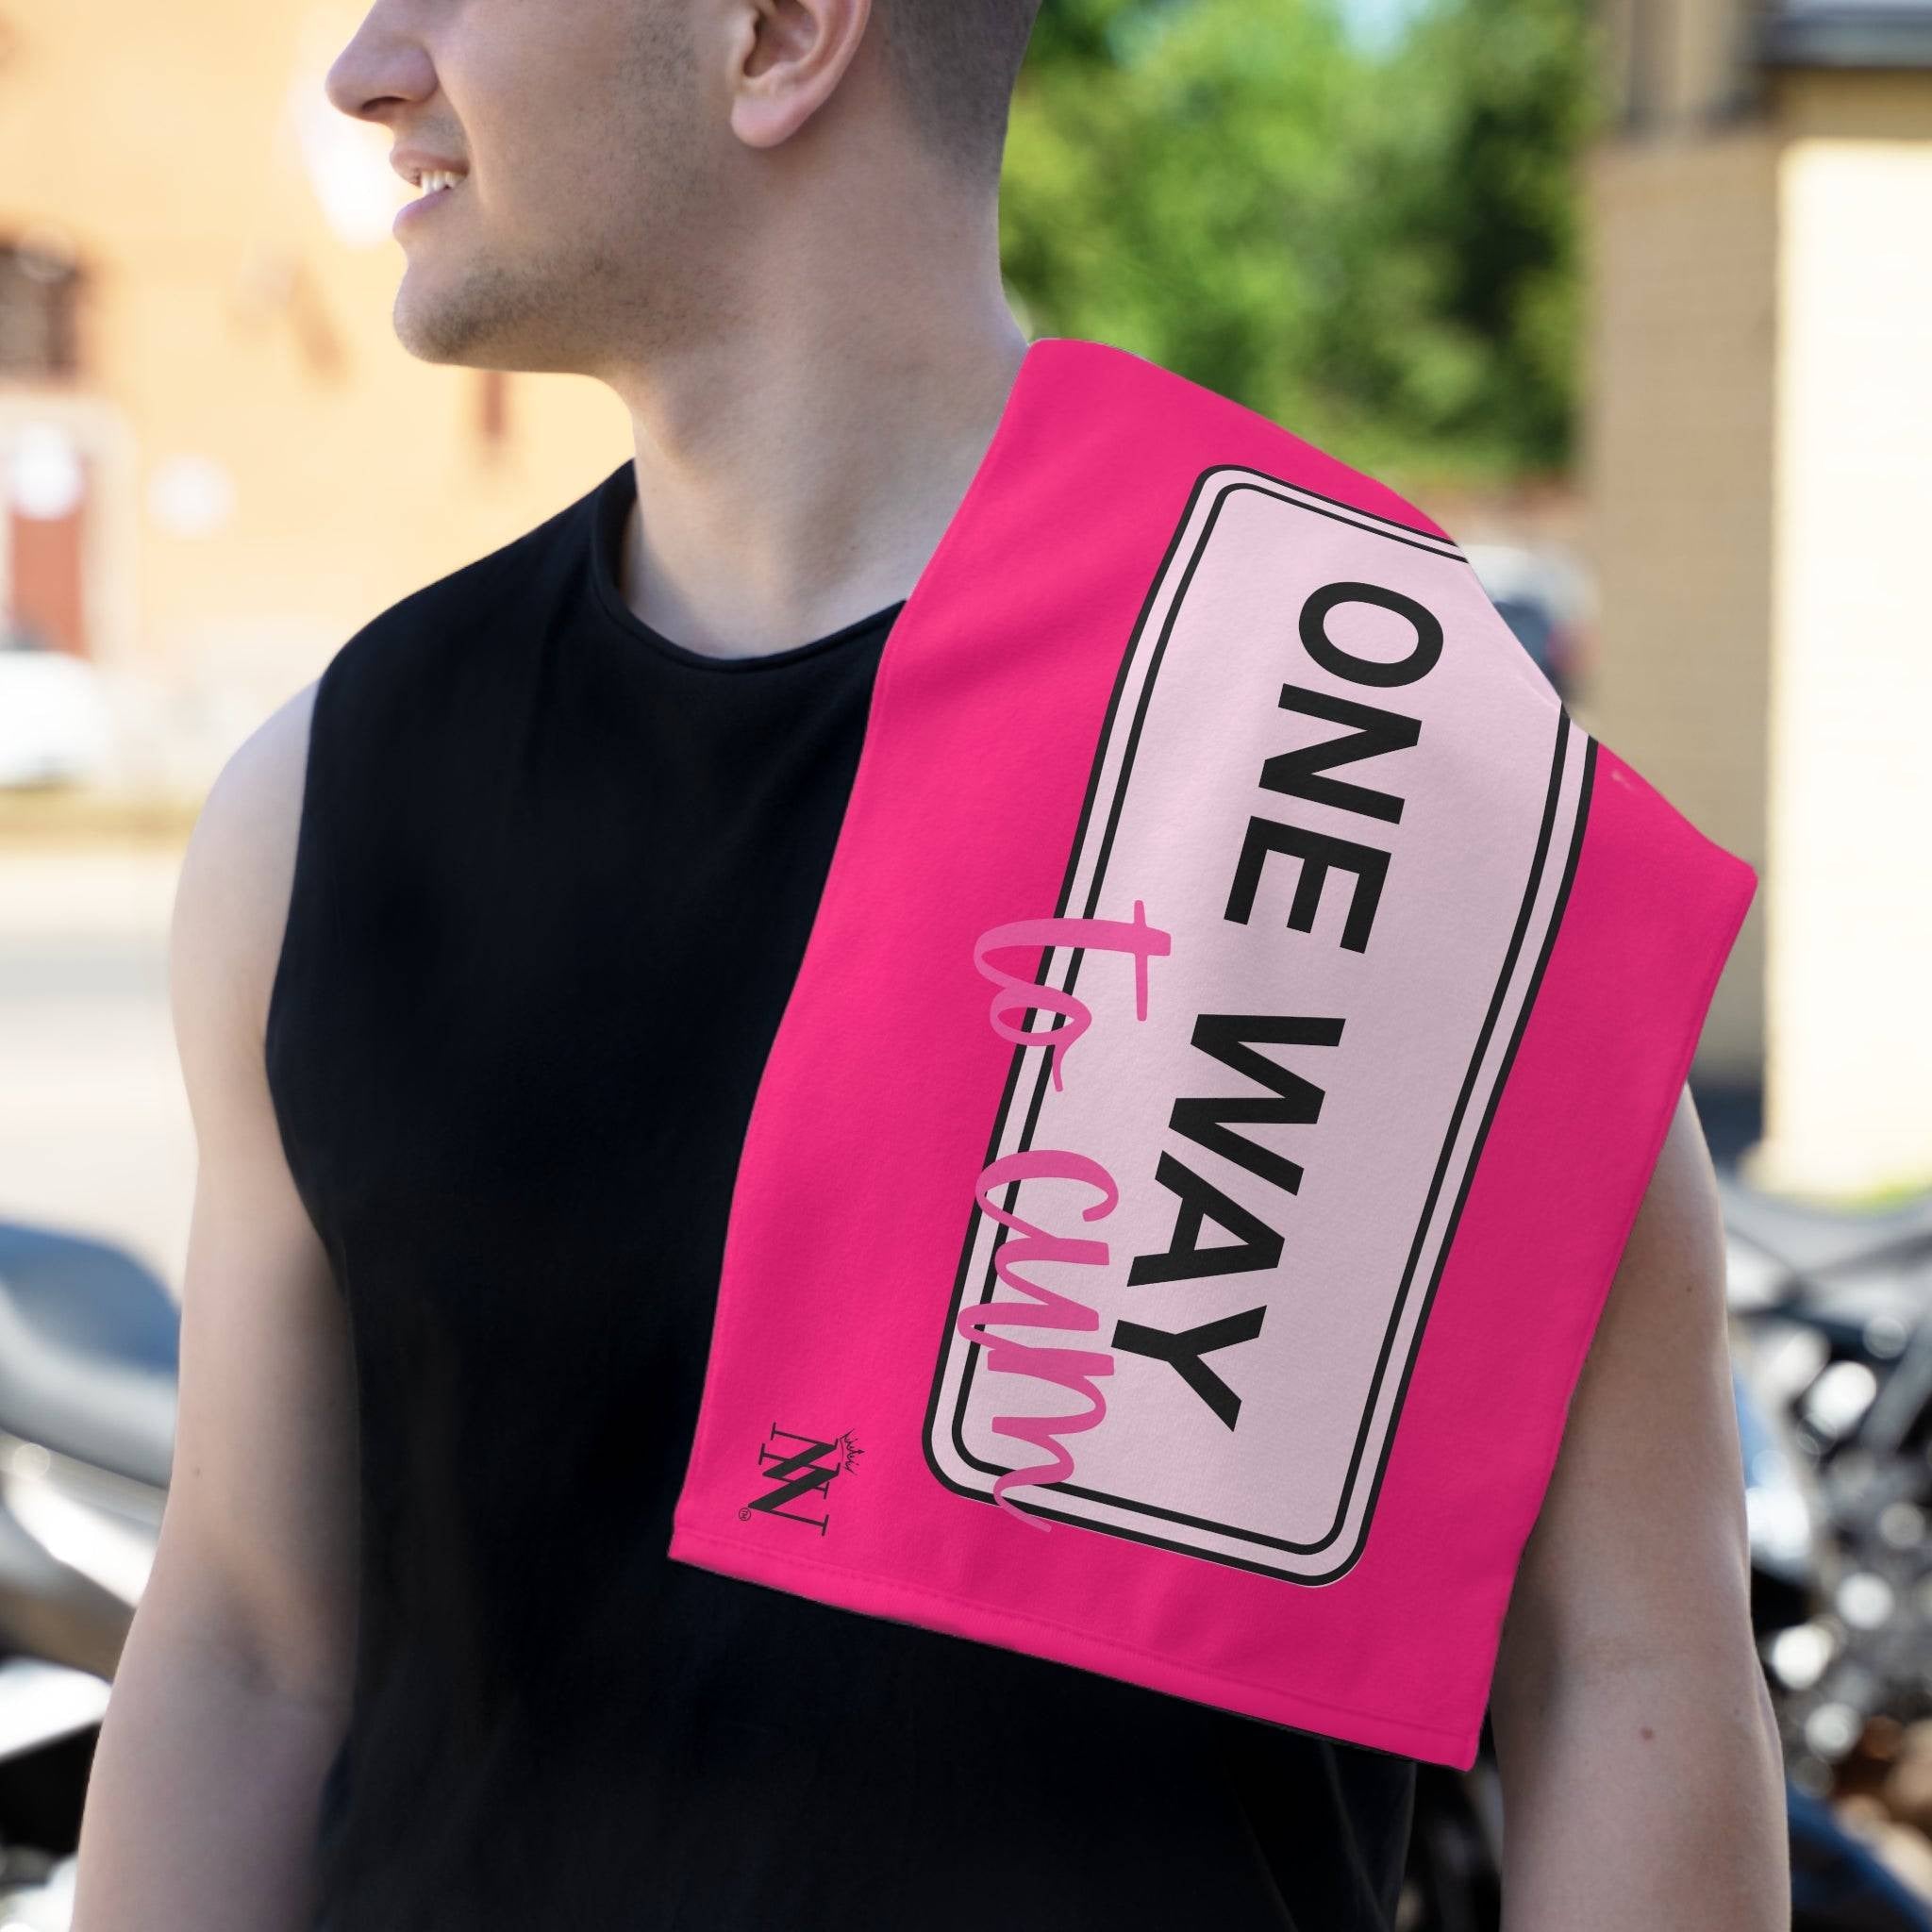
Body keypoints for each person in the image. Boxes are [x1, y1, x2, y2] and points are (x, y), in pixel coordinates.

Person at [70, 1, 1789, 1927]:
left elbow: (1623, 1673)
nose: (371, 65)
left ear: (779, 35)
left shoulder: (1366, 759)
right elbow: (244, 1650)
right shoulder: (329, 798)